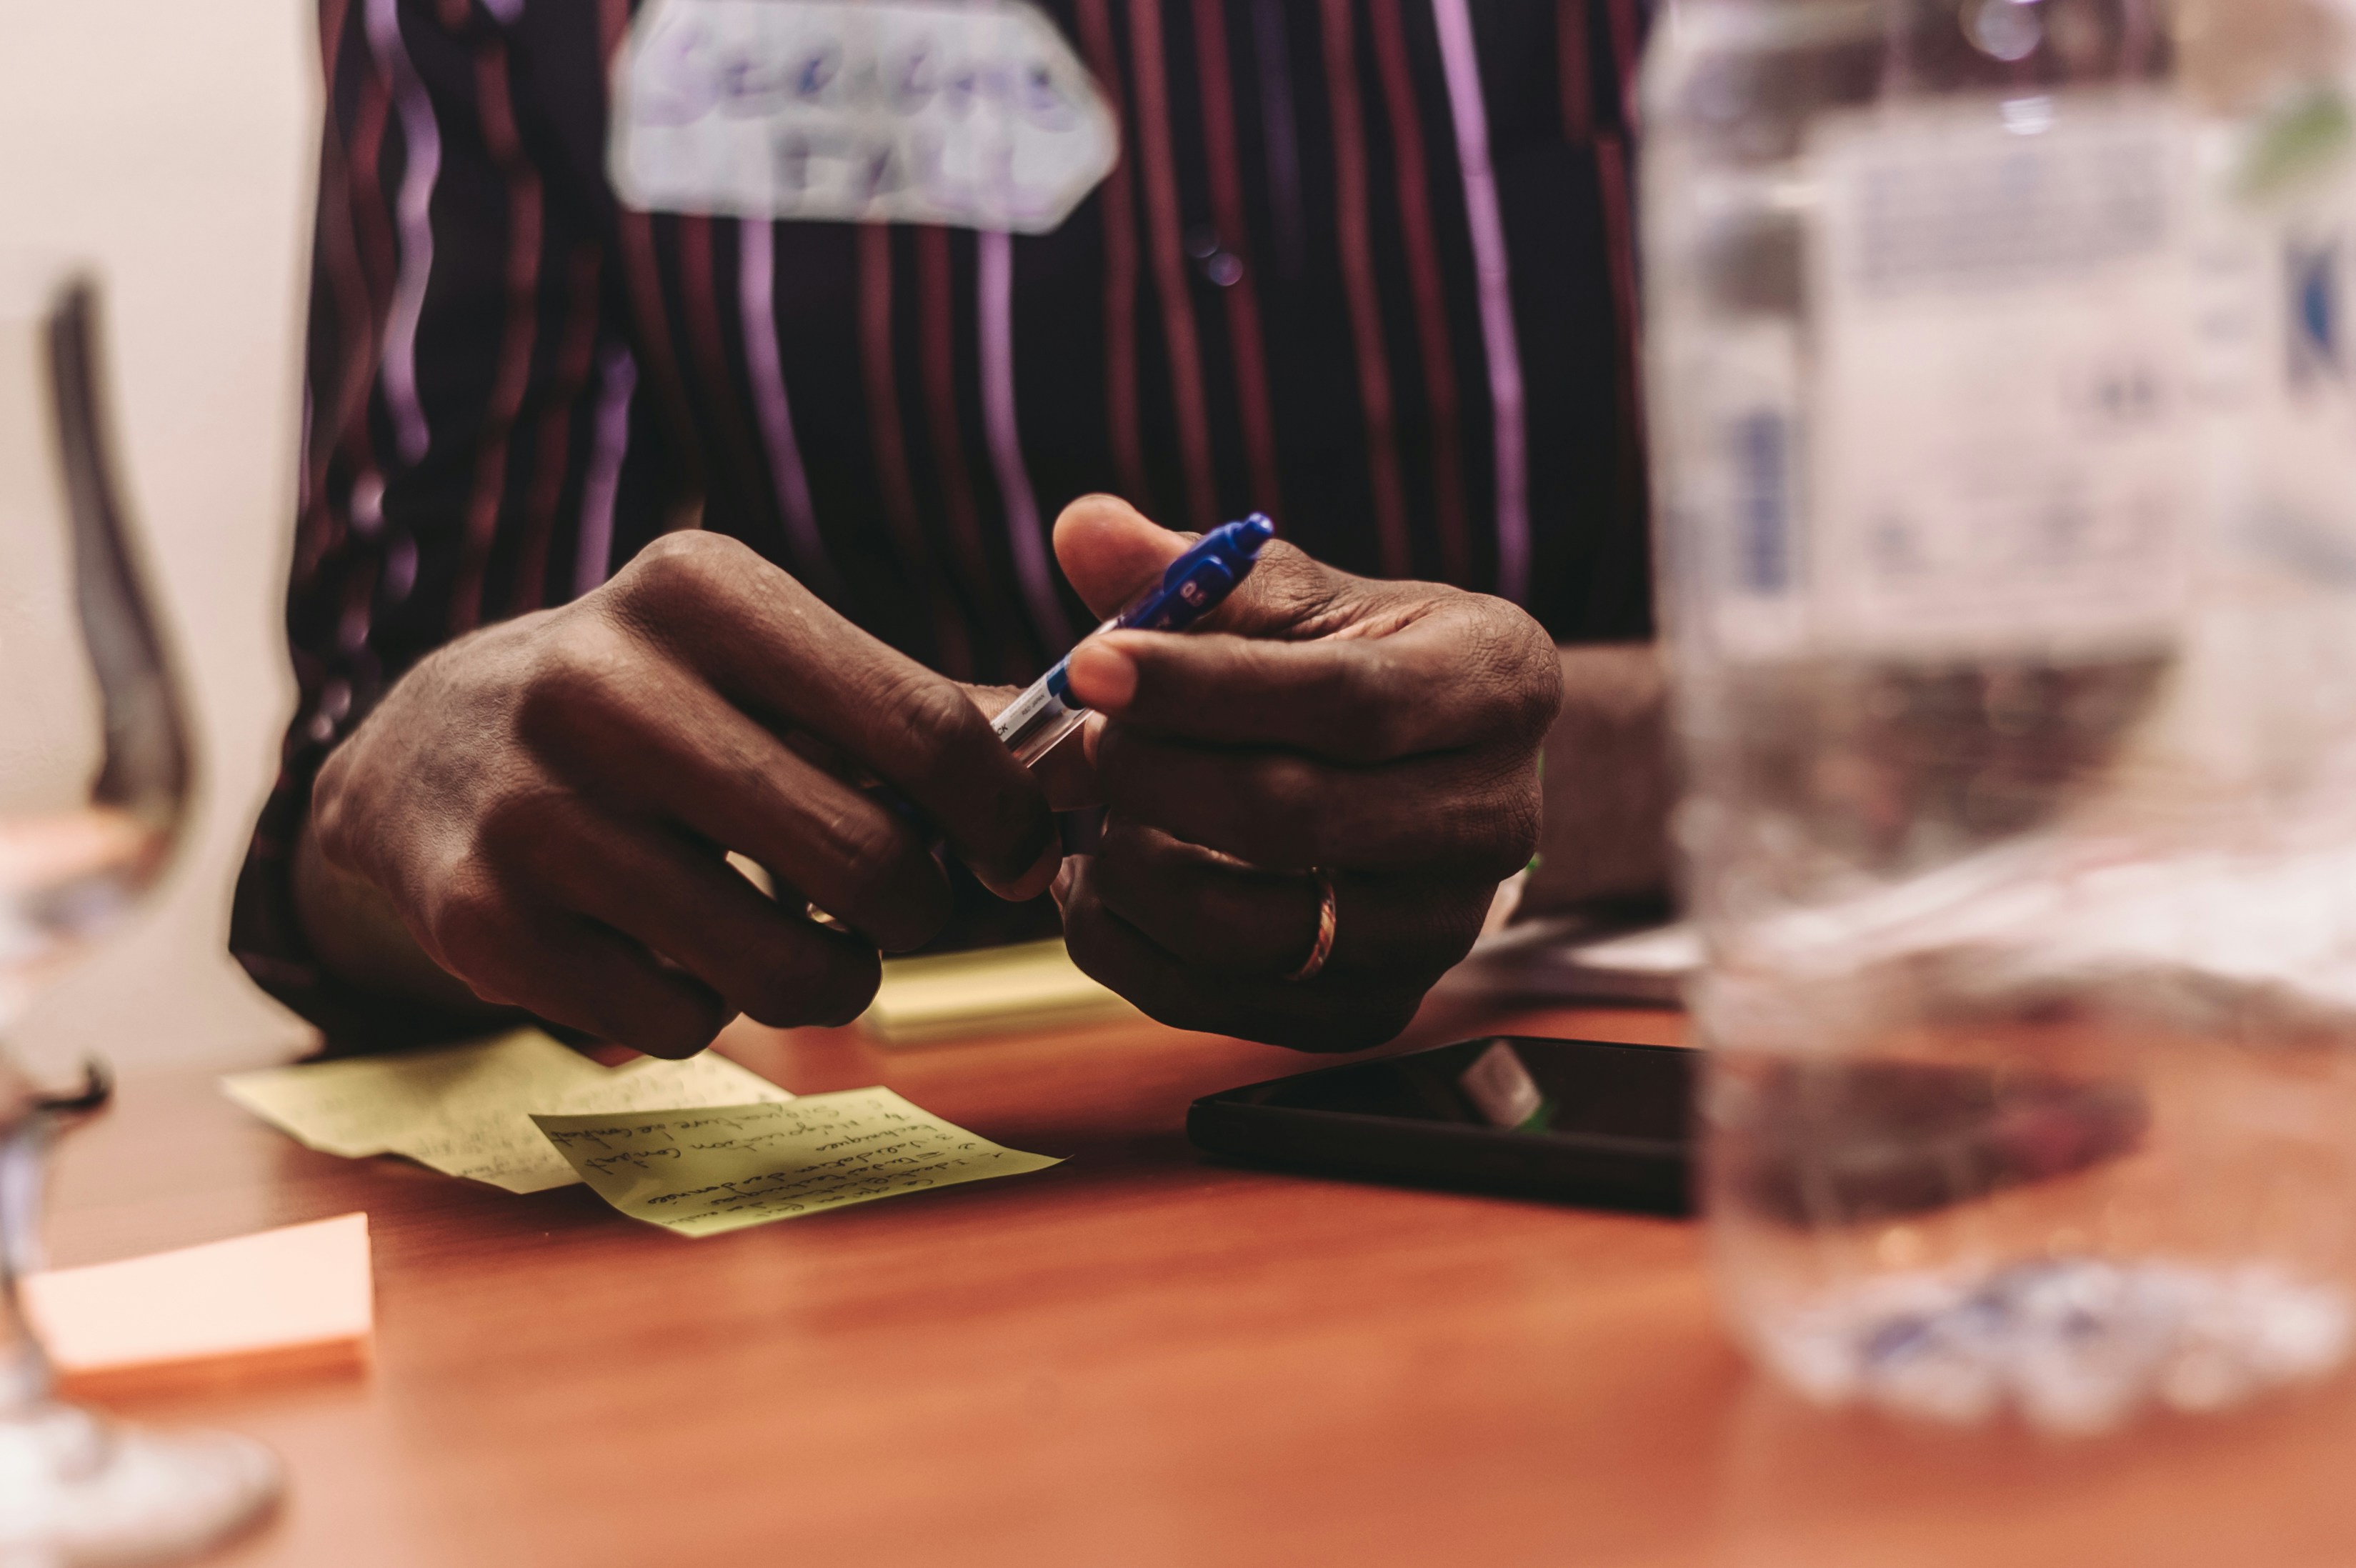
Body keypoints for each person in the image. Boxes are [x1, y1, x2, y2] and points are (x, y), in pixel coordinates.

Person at [233, 0, 1667, 1060]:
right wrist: (416, 795)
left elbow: (1896, 697)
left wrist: (1550, 767)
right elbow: (385, 808)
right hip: (915, 1169)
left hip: (1645, 1063)